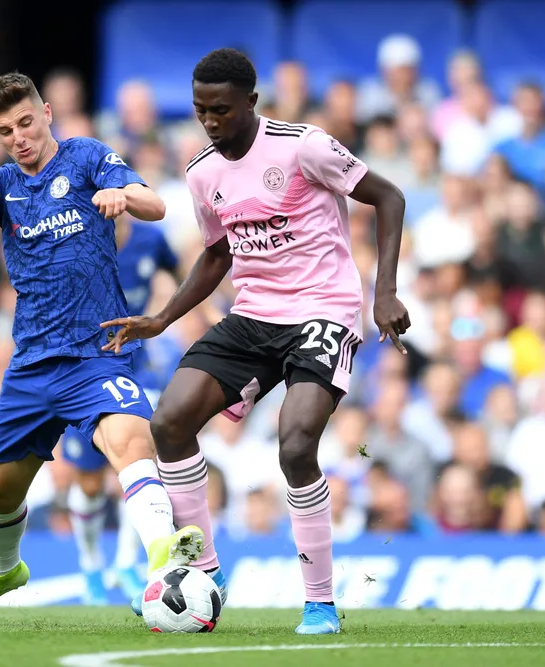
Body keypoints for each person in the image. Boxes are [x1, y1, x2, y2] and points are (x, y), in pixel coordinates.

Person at [101, 48, 410, 634]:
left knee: (295, 447)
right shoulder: (201, 172)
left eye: (220, 109)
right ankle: (209, 575)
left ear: (251, 102)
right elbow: (218, 253)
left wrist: (384, 291)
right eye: (199, 110)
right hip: (255, 315)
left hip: (324, 310)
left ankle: (319, 602)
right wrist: (163, 318)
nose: (209, 121)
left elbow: (388, 197)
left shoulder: (303, 146)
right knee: (168, 422)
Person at [0, 72, 204, 626]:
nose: (19, 136)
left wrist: (124, 195)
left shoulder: (87, 156)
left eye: (25, 121)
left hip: (97, 351)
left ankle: (163, 556)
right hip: (32, 364)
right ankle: (3, 572)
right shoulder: (2, 186)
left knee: (129, 438)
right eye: (5, 130)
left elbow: (156, 204)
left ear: (46, 112)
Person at [60, 212, 180, 605]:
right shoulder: (74, 241)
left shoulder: (151, 240)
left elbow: (177, 273)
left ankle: (129, 563)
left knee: (141, 458)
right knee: (91, 484)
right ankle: (91, 564)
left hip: (135, 365)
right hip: (84, 369)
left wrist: (196, 311)